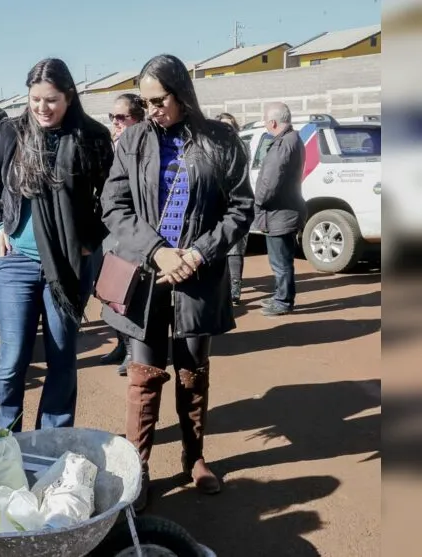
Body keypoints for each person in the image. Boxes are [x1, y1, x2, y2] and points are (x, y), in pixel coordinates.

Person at [101, 54, 254, 510]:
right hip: (146, 276)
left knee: (193, 372)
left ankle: (195, 457)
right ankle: (140, 466)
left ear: (182, 93)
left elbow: (241, 208)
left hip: (197, 277)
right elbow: (115, 206)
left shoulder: (221, 140)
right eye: (145, 102)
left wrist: (198, 252)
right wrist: (157, 251)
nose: (151, 110)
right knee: (143, 376)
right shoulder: (132, 142)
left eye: (159, 100)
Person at [0, 58, 114, 431]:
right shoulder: (12, 132)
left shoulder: (93, 136)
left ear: (69, 96)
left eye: (51, 100)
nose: (42, 108)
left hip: (69, 266)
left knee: (62, 357)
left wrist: (90, 238)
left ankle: (52, 441)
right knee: (13, 357)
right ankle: (1, 440)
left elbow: (116, 196)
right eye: (35, 99)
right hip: (17, 261)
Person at [100, 93, 147, 375]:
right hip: (111, 227)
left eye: (122, 117)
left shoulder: (142, 145)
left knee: (129, 293)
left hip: (132, 229)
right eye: (112, 117)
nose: (115, 123)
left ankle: (133, 352)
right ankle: (121, 344)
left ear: (138, 119)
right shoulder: (114, 144)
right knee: (111, 292)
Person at [254, 102, 306, 316]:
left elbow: (270, 182)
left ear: (273, 122)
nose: (266, 125)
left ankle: (283, 301)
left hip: (279, 213)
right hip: (284, 212)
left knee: (281, 263)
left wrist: (257, 201)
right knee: (282, 262)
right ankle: (281, 296)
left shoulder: (283, 144)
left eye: (266, 122)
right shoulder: (292, 139)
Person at [216, 112, 249, 304]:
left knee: (235, 248)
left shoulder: (241, 147)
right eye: (222, 126)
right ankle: (222, 288)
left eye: (229, 126)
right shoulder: (211, 147)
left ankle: (235, 288)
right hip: (217, 205)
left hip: (235, 202)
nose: (226, 129)